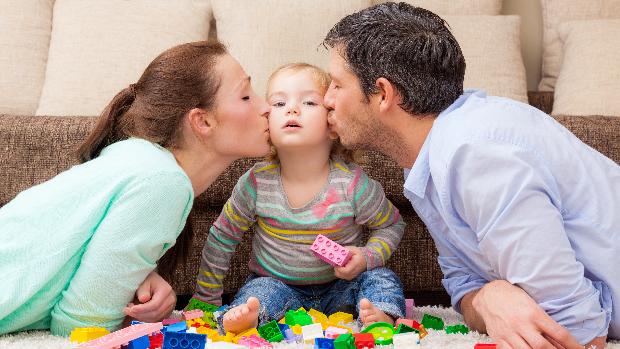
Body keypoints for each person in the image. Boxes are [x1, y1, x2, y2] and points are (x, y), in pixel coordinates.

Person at [321, 3, 619, 349]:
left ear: (384, 94)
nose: (326, 99)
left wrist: (490, 295)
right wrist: (489, 297)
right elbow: (463, 286)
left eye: (337, 85)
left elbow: (577, 334)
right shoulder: (429, 158)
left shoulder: (476, 155)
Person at [0, 40, 271, 336]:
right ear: (202, 121)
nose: (267, 107)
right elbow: (80, 328)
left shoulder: (142, 160)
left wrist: (138, 284)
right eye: (246, 96)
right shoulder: (163, 182)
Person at [190, 63, 406, 334]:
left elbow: (392, 224)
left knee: (381, 279)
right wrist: (206, 297)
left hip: (341, 288)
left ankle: (381, 314)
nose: (292, 109)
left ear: (332, 125)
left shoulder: (352, 185)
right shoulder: (256, 183)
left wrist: (366, 256)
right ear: (267, 124)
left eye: (309, 102)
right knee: (258, 293)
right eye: (279, 103)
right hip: (278, 286)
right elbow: (222, 237)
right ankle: (247, 317)